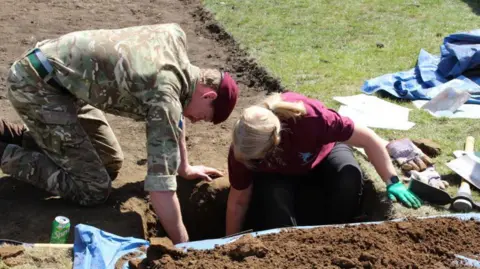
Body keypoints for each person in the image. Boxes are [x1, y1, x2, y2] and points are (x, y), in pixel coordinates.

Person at [3, 23, 239, 244]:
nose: (197, 121)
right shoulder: (165, 98)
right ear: (209, 96)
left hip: (65, 80)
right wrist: (185, 247)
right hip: (35, 85)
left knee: (110, 161)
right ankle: (5, 153)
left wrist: (184, 167)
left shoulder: (175, 39)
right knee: (93, 189)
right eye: (205, 116)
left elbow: (176, 111)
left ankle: (18, 137)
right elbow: (159, 190)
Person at [225, 91, 428, 235]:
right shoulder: (244, 148)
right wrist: (229, 242)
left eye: (258, 157)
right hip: (278, 177)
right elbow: (239, 200)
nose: (252, 161)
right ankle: (291, 244)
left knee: (349, 176)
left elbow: (368, 139)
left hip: (321, 157)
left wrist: (392, 181)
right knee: (276, 204)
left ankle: (337, 232)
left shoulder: (310, 119)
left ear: (274, 143)